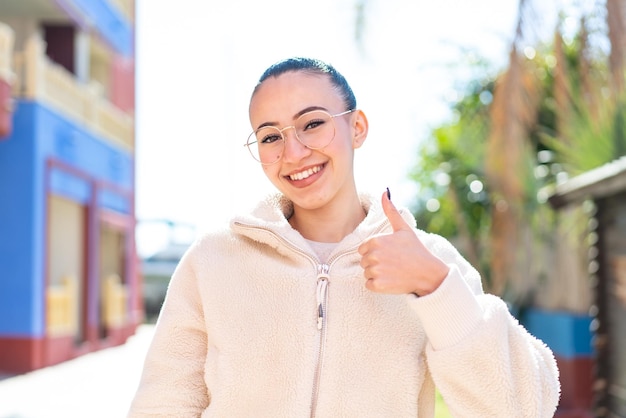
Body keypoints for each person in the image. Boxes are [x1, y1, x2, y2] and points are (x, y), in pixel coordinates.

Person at [128, 57, 560, 417]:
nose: (293, 152)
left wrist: (435, 287)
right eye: (271, 136)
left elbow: (524, 405)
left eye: (312, 124)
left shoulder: (426, 260)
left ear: (357, 128)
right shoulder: (214, 260)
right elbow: (165, 401)